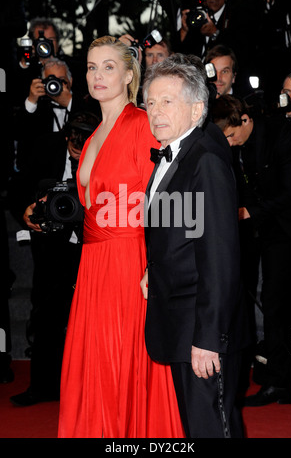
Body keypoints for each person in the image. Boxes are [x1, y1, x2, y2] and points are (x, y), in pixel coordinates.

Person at [58, 36, 184, 438]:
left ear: (130, 75)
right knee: (95, 363)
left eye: (108, 67)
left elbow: (166, 195)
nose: (97, 75)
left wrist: (155, 262)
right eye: (92, 67)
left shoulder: (139, 124)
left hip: (130, 261)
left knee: (123, 360)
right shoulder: (93, 134)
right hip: (94, 264)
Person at [140, 53, 249, 438]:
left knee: (212, 428)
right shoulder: (172, 156)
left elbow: (220, 258)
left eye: (167, 101)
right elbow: (181, 234)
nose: (155, 111)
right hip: (181, 322)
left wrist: (208, 339)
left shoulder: (205, 161)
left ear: (197, 107)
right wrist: (153, 270)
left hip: (202, 331)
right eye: (150, 101)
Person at [211, 94, 291, 406]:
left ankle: (280, 381)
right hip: (262, 231)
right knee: (264, 302)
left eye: (232, 136)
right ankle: (276, 379)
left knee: (276, 304)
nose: (231, 144)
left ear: (245, 120)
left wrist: (251, 210)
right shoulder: (239, 144)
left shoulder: (282, 132)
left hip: (289, 228)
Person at [8, 111, 98, 407]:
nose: (77, 142)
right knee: (45, 313)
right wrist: (25, 211)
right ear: (66, 132)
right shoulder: (46, 146)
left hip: (92, 244)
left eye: (84, 138)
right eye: (73, 136)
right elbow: (17, 188)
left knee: (90, 318)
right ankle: (42, 385)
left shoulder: (104, 150)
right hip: (50, 244)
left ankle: (90, 389)